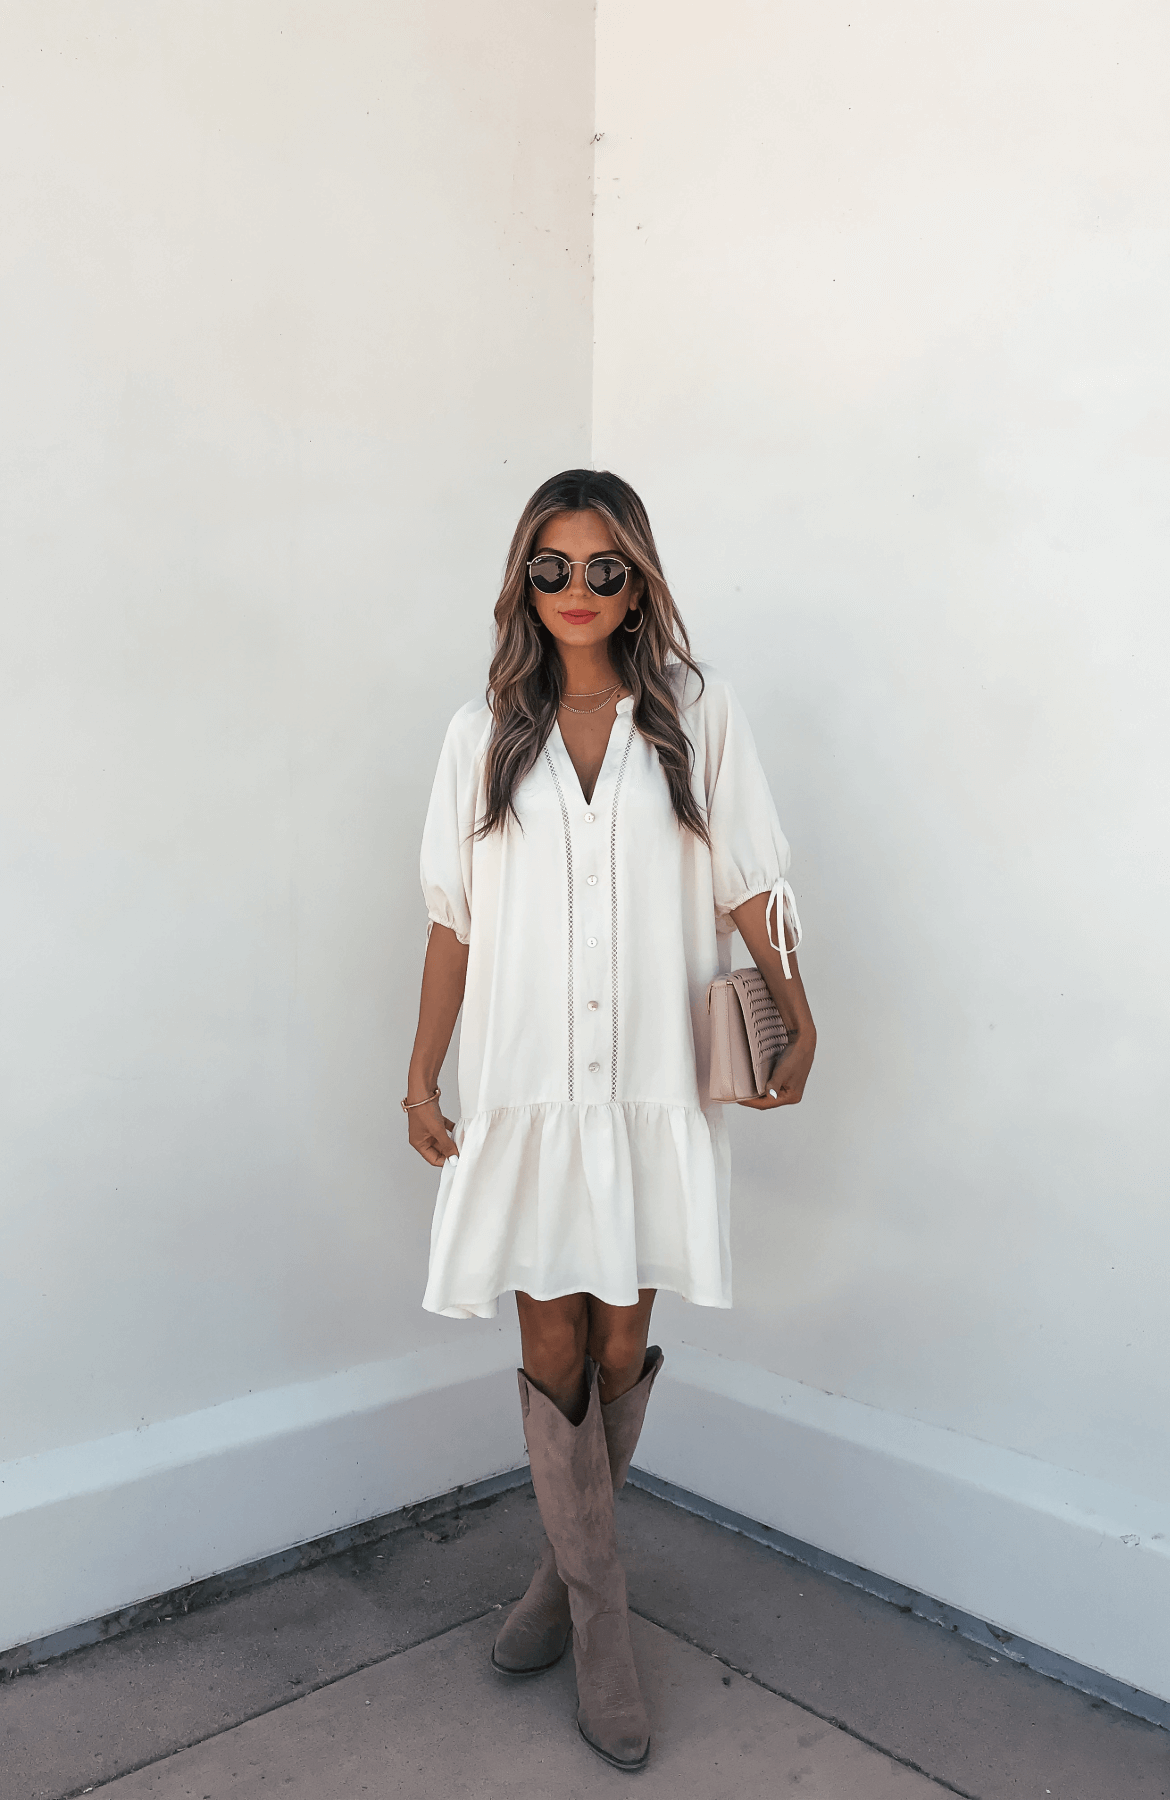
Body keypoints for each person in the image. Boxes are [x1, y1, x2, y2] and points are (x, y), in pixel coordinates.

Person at [406, 469, 816, 1771]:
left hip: (646, 1083)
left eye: (603, 567)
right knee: (551, 1335)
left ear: (638, 581)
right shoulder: (481, 732)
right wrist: (420, 1075)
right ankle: (601, 1627)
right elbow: (453, 920)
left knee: (623, 1335)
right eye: (552, 566)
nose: (576, 589)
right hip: (528, 1082)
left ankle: (558, 1582)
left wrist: (797, 1006)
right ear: (522, 581)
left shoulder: (696, 713)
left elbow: (748, 879)